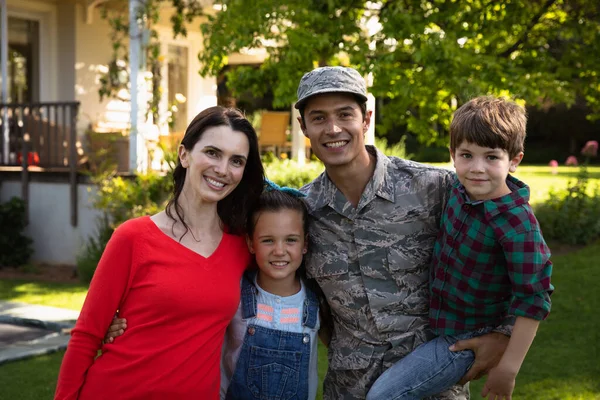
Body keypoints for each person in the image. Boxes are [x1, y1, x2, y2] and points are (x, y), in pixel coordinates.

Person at [295, 66, 513, 399]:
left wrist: (503, 336)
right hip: (350, 388)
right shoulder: (303, 211)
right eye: (319, 118)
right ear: (303, 127)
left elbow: (513, 250)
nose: (333, 128)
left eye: (344, 114)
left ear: (366, 119)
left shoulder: (433, 187)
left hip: (436, 387)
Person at [54, 106, 265, 400]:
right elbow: (87, 337)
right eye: (213, 153)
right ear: (184, 154)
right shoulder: (133, 238)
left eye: (237, 160)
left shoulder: (243, 247)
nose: (223, 169)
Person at [366, 96, 554, 400]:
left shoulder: (517, 224)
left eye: (491, 157)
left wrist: (508, 368)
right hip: (436, 322)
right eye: (467, 155)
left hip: (465, 339)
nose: (477, 168)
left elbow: (534, 297)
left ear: (515, 160)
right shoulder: (456, 190)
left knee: (384, 396)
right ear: (453, 155)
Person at [221, 183, 328, 400]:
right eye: (268, 240)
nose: (279, 251)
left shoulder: (316, 304)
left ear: (305, 244)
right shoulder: (233, 296)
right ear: (251, 243)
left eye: (291, 240)